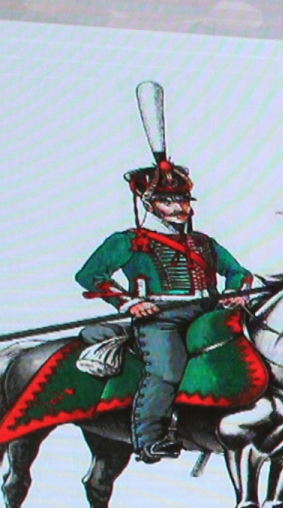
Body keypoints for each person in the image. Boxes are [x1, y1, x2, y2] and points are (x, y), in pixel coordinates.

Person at [74, 156, 252, 463]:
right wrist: (130, 303)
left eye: (183, 200)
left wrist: (234, 293)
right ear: (149, 204)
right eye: (168, 202)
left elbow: (238, 272)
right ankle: (150, 439)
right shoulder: (128, 241)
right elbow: (90, 275)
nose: (178, 208)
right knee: (166, 370)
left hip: (209, 315)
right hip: (160, 319)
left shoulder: (204, 243)